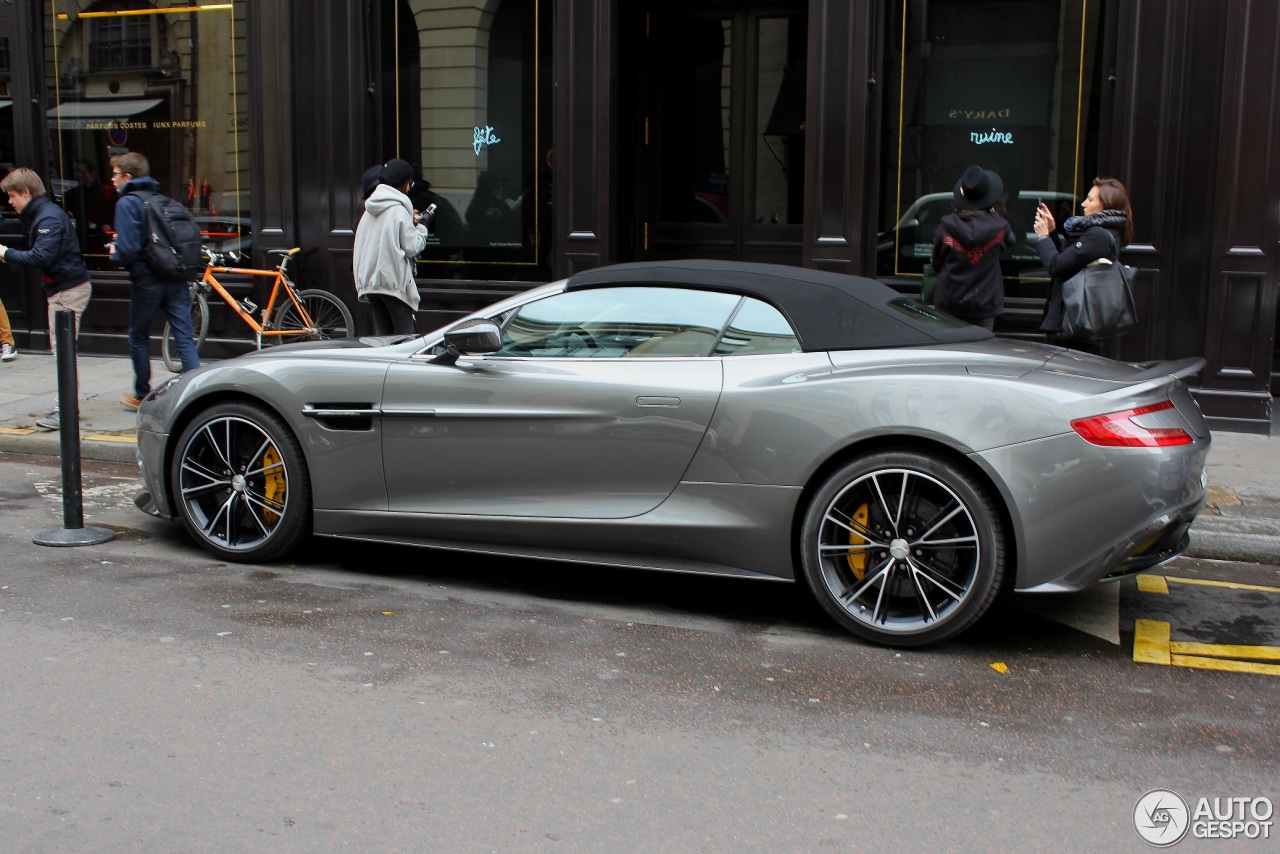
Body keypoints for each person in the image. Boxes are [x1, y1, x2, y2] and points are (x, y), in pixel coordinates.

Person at [0, 167, 94, 429]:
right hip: (64, 288)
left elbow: (40, 257)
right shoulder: (44, 214)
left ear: (26, 192)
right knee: (62, 352)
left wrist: (5, 253)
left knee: (63, 353)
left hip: (68, 291)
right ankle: (64, 408)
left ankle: (65, 412)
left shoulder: (48, 219)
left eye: (12, 196)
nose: (10, 202)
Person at [108, 152, 200, 410]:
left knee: (138, 335)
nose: (112, 180)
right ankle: (195, 392)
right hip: (175, 276)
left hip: (147, 279)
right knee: (183, 335)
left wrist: (115, 254)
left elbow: (127, 249)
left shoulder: (128, 203)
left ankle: (141, 393)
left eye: (115, 174)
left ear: (127, 176)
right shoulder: (163, 200)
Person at [1033, 176, 1134, 354]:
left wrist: (1043, 238)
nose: (1084, 204)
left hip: (1073, 326)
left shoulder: (1098, 235)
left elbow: (1056, 266)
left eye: (1090, 199)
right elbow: (1069, 262)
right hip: (1074, 324)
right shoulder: (1098, 231)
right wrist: (1052, 232)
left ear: (1107, 203)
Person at [929, 165, 1015, 331]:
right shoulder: (1000, 227)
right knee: (980, 354)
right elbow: (1011, 243)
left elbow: (936, 265)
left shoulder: (945, 227)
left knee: (949, 353)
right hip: (985, 305)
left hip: (949, 303)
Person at [352, 158, 428, 336]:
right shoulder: (398, 211)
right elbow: (412, 246)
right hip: (392, 283)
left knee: (383, 338)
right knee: (407, 337)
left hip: (371, 283)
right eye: (410, 183)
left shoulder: (369, 209)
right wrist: (423, 226)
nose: (409, 188)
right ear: (405, 184)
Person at [61, 159, 117, 256]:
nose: (79, 175)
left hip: (101, 239)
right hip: (81, 238)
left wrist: (110, 225)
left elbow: (114, 213)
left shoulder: (107, 192)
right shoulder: (72, 194)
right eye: (77, 172)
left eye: (83, 172)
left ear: (92, 173)